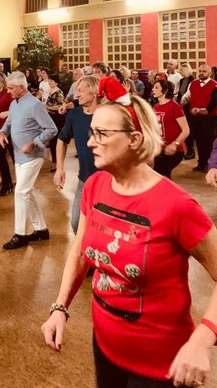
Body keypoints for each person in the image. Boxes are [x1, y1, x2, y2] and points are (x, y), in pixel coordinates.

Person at [41, 87, 217, 388]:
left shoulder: (177, 205)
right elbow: (81, 253)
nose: (90, 142)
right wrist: (60, 307)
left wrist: (202, 338)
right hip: (106, 345)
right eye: (92, 132)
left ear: (134, 139)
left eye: (101, 134)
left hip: (162, 363)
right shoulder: (95, 186)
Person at [0, 71, 57, 250]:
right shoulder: (14, 103)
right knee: (27, 192)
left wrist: (34, 142)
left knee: (21, 192)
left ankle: (20, 234)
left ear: (21, 88)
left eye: (10, 88)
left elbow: (51, 129)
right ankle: (41, 230)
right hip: (19, 155)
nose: (8, 91)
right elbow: (8, 122)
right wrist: (2, 132)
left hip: (33, 156)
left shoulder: (35, 105)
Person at [54, 76, 99, 234]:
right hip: (84, 181)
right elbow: (62, 139)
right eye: (76, 91)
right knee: (75, 223)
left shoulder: (106, 114)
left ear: (94, 92)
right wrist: (60, 168)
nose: (77, 94)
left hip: (106, 181)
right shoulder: (74, 114)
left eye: (81, 91)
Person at [180, 64, 217, 173]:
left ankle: (208, 164)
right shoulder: (193, 83)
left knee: (207, 142)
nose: (201, 73)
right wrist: (184, 99)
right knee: (199, 141)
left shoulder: (214, 85)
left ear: (209, 73)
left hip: (209, 118)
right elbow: (188, 95)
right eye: (200, 71)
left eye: (204, 71)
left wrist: (201, 110)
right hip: (195, 117)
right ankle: (201, 163)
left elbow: (213, 104)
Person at [152, 79, 189, 179]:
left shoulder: (175, 107)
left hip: (174, 150)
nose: (153, 90)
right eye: (153, 87)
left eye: (156, 87)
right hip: (160, 150)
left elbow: (186, 130)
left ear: (165, 90)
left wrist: (175, 144)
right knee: (165, 179)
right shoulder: (156, 107)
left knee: (157, 176)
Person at [45, 74, 66, 173]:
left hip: (57, 119)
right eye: (49, 81)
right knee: (52, 141)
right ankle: (54, 161)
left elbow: (60, 106)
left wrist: (47, 107)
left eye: (52, 81)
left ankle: (57, 163)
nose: (50, 82)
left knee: (56, 141)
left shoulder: (58, 92)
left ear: (56, 82)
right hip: (51, 118)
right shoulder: (51, 91)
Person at [177, 63, 195, 160]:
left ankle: (191, 151)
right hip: (182, 107)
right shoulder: (181, 80)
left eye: (182, 70)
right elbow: (180, 94)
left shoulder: (192, 80)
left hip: (188, 108)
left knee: (188, 130)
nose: (180, 71)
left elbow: (191, 95)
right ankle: (187, 150)